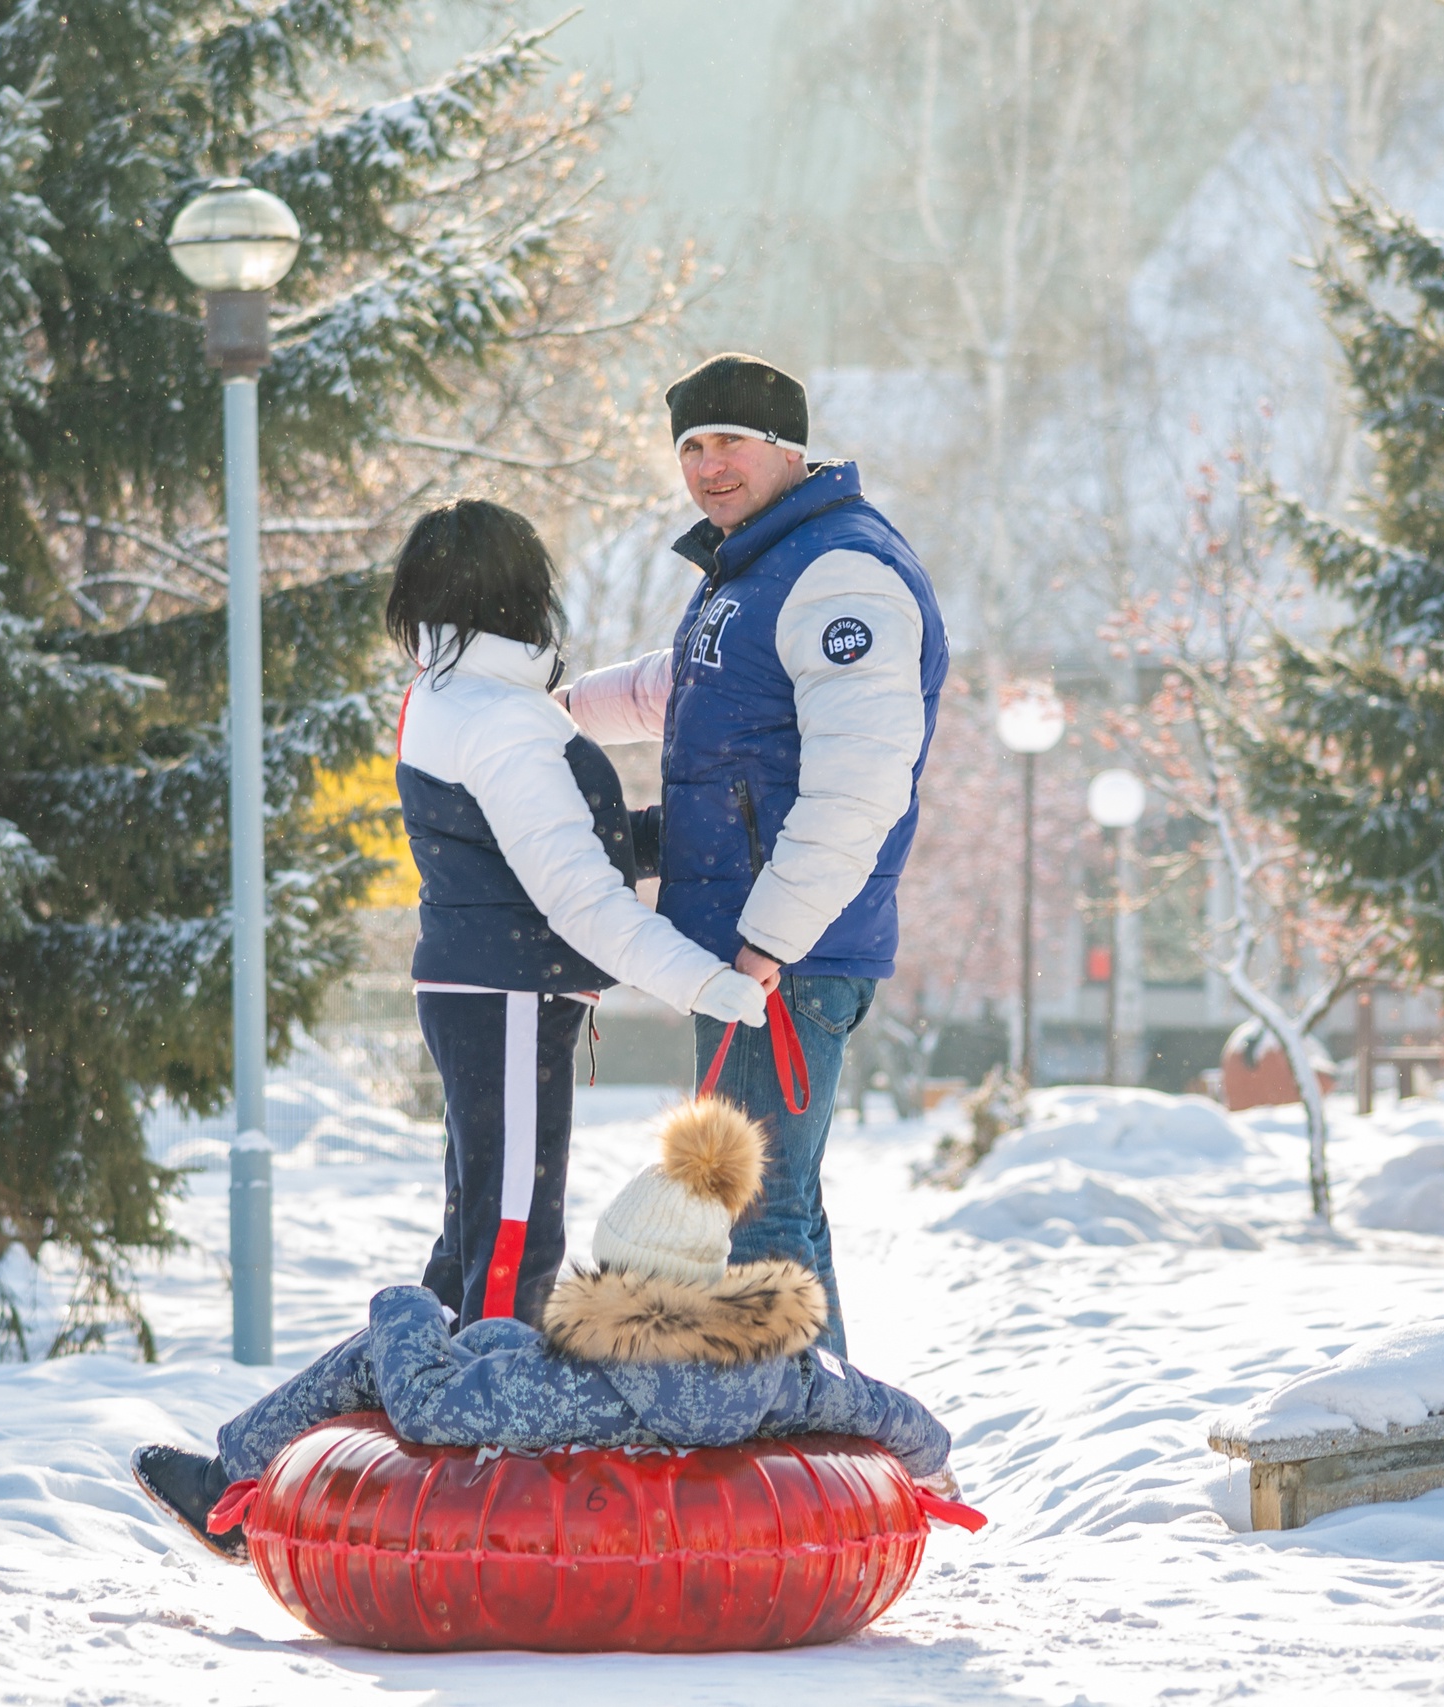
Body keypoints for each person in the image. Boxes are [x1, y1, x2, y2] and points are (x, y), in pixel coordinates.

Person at [560, 355, 948, 1357]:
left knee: (755, 1213)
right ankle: (827, 1427)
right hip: (754, 951)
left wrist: (768, 940)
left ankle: (798, 1436)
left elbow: (860, 786)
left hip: (784, 955)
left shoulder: (840, 572)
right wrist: (554, 712)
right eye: (690, 447)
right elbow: (683, 686)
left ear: (789, 448)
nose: (708, 465)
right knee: (776, 1208)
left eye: (729, 441)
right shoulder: (761, 566)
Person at [129, 1100, 957, 1563]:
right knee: (491, 1333)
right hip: (643, 1407)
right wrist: (932, 1459)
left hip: (535, 1463)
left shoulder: (567, 1382)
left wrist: (405, 1306)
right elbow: (875, 1404)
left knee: (386, 1354)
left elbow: (428, 1408)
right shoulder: (778, 1369)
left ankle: (229, 1482)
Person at [382, 499, 768, 1330]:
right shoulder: (503, 720)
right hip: (509, 996)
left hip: (478, 987)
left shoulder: (450, 694)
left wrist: (674, 836)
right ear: (521, 592)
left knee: (478, 1225)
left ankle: (422, 1384)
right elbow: (580, 899)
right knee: (513, 1232)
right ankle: (486, 1403)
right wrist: (703, 981)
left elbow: (526, 843)